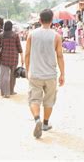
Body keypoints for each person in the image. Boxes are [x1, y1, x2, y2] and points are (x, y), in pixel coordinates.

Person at [25, 9, 65, 139]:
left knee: (34, 99)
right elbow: (59, 56)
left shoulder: (31, 34)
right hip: (50, 75)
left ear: (40, 20)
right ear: (52, 20)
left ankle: (37, 120)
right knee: (49, 100)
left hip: (35, 74)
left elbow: (27, 54)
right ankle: (46, 123)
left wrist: (27, 70)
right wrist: (62, 74)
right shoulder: (57, 36)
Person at [0, 21, 24, 98]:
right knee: (12, 75)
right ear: (11, 26)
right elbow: (19, 47)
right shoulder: (15, 35)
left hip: (3, 58)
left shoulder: (1, 35)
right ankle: (11, 91)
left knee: (4, 75)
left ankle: (5, 93)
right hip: (13, 58)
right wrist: (22, 57)